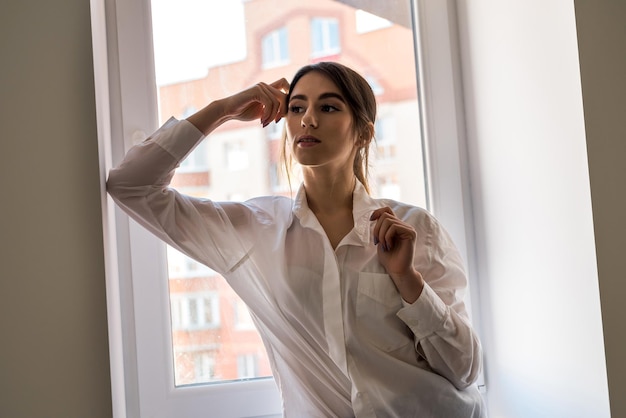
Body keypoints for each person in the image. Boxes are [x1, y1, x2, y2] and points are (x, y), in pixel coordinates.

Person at [107, 62, 485, 417]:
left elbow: (464, 369)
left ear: (365, 132)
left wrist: (408, 280)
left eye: (329, 107)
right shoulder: (255, 231)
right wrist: (223, 109)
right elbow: (131, 185)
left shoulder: (415, 228)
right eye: (296, 107)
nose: (308, 119)